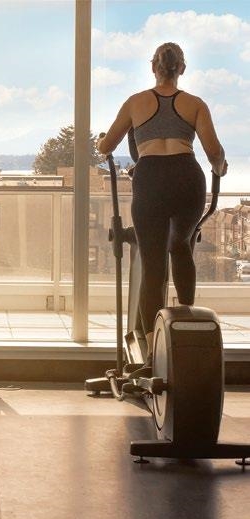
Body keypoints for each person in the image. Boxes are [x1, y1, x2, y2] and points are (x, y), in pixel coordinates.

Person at [97, 42, 227, 368]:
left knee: (153, 265)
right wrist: (220, 169)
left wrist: (102, 140)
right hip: (188, 178)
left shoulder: (135, 102)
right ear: (181, 68)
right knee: (181, 246)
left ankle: (153, 353)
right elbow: (214, 152)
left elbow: (106, 146)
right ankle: (186, 334)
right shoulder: (195, 104)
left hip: (151, 178)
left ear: (152, 67)